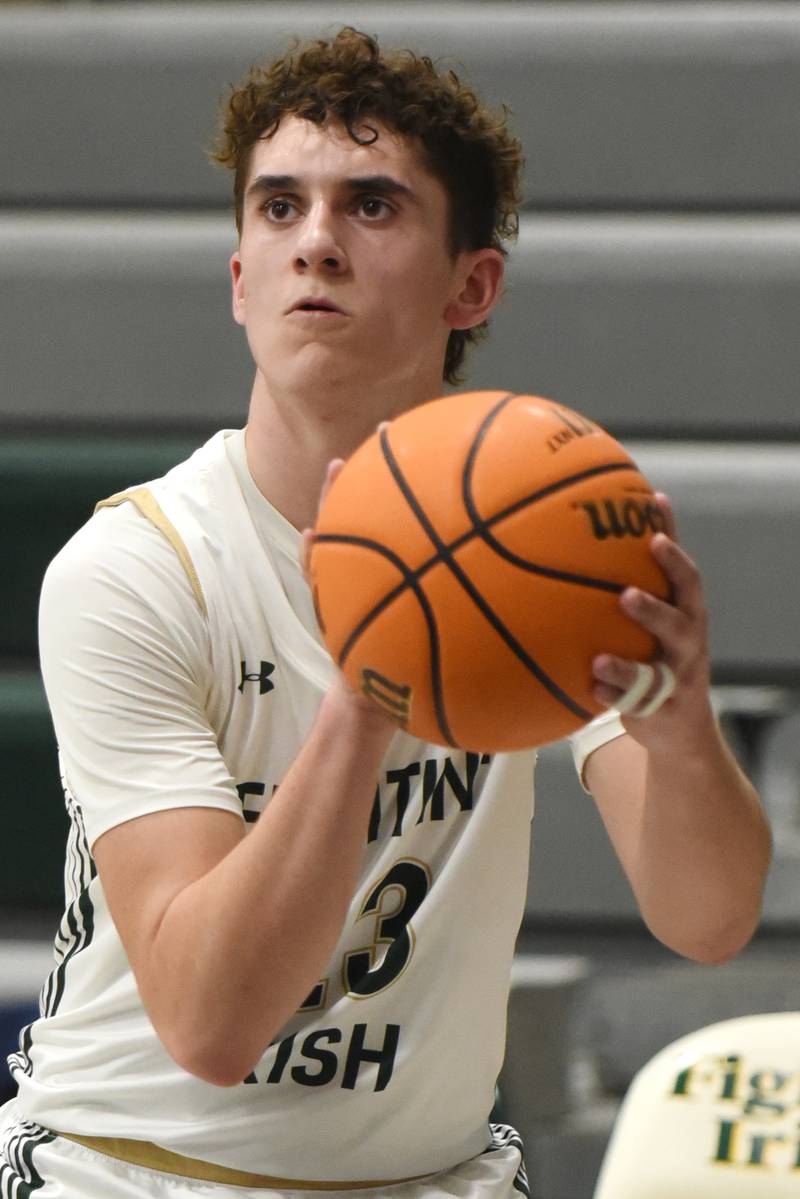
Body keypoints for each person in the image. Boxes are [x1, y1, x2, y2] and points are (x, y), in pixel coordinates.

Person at [1, 26, 771, 1199]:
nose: (314, 241)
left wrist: (677, 732)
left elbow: (708, 920)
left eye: (370, 205)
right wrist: (367, 693)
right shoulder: (137, 567)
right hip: (140, 1169)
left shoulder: (542, 531)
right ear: (239, 279)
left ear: (472, 283)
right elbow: (210, 1025)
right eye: (276, 207)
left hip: (435, 1174)